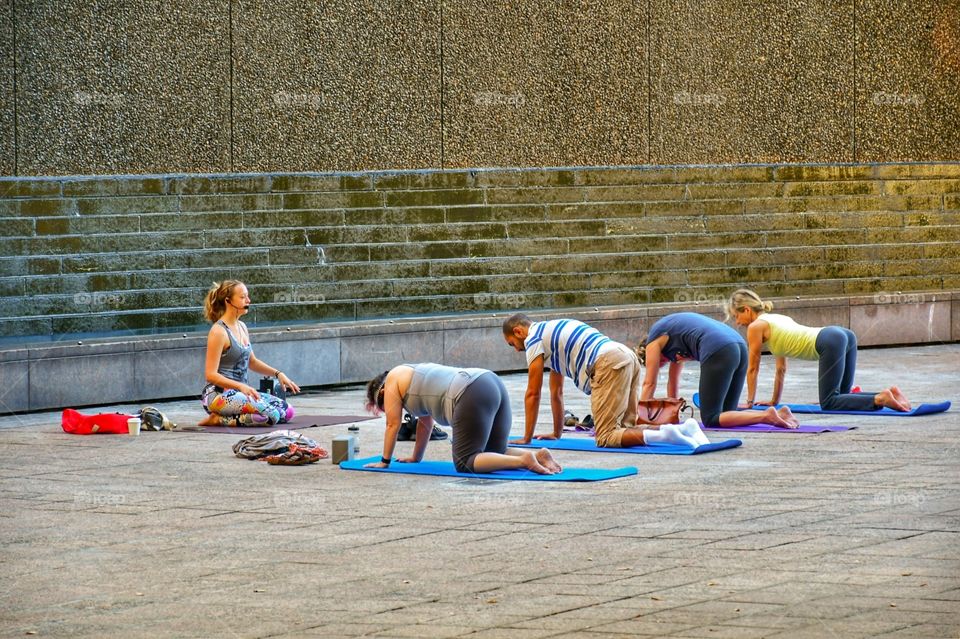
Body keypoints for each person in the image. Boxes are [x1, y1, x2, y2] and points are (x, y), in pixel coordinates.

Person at [502, 314, 709, 449]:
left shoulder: (533, 339)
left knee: (607, 437)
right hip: (626, 356)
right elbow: (556, 393)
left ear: (519, 332)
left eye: (512, 344)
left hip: (608, 362)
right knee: (624, 428)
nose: (517, 350)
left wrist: (526, 438)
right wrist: (556, 434)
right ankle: (682, 430)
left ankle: (668, 435)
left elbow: (533, 392)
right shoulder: (551, 334)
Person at [727, 289, 911, 412]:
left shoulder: (755, 327)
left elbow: (752, 368)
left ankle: (881, 399)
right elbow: (781, 369)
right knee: (843, 397)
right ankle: (891, 394)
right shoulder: (775, 319)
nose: (738, 323)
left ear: (747, 309)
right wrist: (774, 401)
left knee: (829, 402)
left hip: (829, 341)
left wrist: (749, 403)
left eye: (737, 316)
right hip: (843, 335)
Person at [362, 363, 562, 474]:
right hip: (489, 380)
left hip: (469, 392)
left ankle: (523, 461)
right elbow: (426, 422)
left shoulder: (392, 381)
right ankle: (537, 456)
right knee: (493, 451)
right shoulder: (412, 374)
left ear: (379, 394)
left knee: (465, 461)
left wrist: (384, 461)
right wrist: (416, 457)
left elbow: (392, 424)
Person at [638, 312, 800, 429]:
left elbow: (649, 383)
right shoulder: (674, 337)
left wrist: (641, 418)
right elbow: (673, 382)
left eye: (660, 362)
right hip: (738, 345)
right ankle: (781, 414)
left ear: (648, 351)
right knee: (727, 414)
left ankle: (766, 416)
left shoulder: (654, 339)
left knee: (711, 418)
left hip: (719, 348)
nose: (664, 362)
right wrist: (672, 411)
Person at [199, 280, 300, 427]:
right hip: (218, 396)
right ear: (228, 301)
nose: (248, 300)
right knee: (271, 416)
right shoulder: (218, 331)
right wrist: (240, 386)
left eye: (247, 296)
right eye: (242, 297)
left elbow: (252, 361)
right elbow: (210, 375)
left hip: (241, 394)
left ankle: (230, 416)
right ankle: (217, 419)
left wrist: (278, 374)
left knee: (288, 412)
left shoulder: (242, 326)